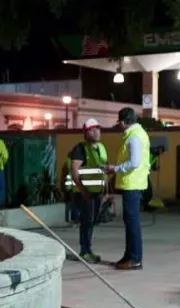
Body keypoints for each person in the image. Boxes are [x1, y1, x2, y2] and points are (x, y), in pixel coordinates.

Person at [104, 107, 151, 270]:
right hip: (134, 184)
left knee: (132, 223)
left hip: (132, 184)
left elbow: (134, 162)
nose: (119, 126)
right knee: (130, 222)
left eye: (120, 123)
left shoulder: (134, 137)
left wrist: (115, 169)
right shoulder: (138, 134)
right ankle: (129, 256)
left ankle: (135, 258)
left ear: (124, 122)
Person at [64, 118, 109, 263]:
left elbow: (102, 170)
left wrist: (106, 190)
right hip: (84, 193)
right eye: (91, 130)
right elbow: (74, 171)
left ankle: (87, 249)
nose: (96, 132)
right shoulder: (80, 149)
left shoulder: (101, 148)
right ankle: (85, 251)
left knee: (92, 221)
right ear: (85, 133)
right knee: (86, 222)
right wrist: (82, 190)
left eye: (97, 129)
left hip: (97, 191)